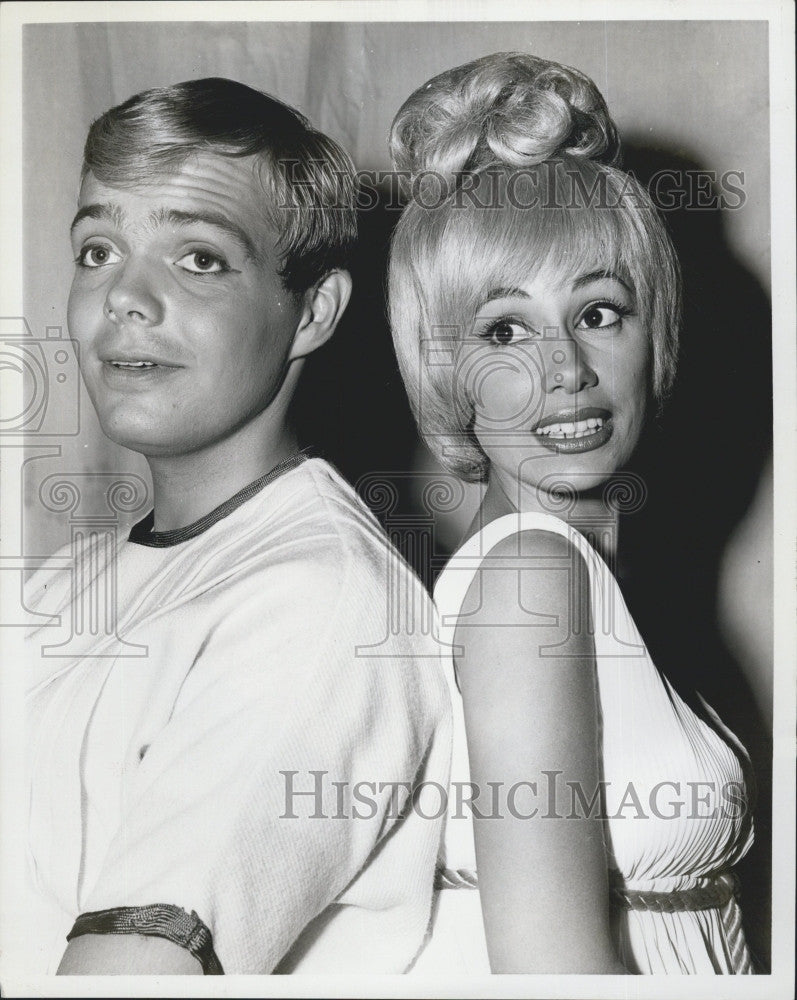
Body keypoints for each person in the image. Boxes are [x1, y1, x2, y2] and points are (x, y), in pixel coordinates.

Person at [23, 78, 450, 976]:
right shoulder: (58, 586)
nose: (124, 299)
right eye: (98, 249)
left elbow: (137, 977)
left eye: (199, 259)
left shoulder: (322, 600)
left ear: (314, 311)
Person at [388, 53, 756, 975]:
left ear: (654, 334)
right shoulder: (528, 577)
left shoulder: (569, 576)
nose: (565, 369)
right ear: (447, 371)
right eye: (503, 331)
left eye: (597, 311)